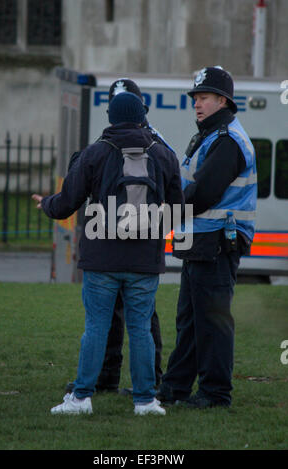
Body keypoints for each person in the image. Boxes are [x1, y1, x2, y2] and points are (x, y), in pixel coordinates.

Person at [33, 90, 184, 415]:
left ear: (112, 118)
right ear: (142, 116)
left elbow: (66, 203)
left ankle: (82, 397)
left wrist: (45, 203)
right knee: (141, 328)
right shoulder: (164, 155)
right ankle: (145, 400)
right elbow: (178, 211)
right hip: (145, 260)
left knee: (97, 326)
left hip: (101, 259)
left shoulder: (96, 153)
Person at [157, 66, 257, 409]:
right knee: (190, 321)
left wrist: (166, 211)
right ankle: (174, 389)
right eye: (195, 98)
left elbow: (204, 193)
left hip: (216, 241)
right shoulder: (213, 135)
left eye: (204, 98)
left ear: (223, 100)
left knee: (211, 322)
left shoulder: (227, 140)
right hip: (201, 240)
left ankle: (215, 394)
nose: (197, 104)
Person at [65, 78, 173, 395]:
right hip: (142, 253)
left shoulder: (110, 143)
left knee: (120, 321)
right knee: (135, 321)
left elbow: (78, 188)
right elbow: (176, 199)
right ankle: (125, 382)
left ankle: (123, 380)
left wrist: (50, 202)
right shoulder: (158, 145)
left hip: (107, 248)